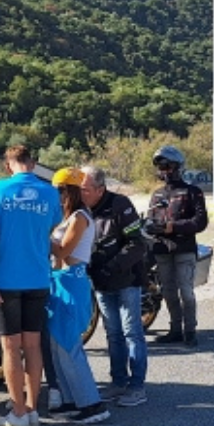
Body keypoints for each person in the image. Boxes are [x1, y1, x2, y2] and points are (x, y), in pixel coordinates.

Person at [0, 145, 60, 426]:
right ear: (33, 163)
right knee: (33, 345)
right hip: (38, 278)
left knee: (10, 347)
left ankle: (17, 412)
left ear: (8, 165)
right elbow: (50, 228)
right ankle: (32, 409)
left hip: (7, 280)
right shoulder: (50, 193)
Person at [42, 167, 112, 424]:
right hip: (58, 281)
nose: (57, 195)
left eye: (60, 190)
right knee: (57, 346)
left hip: (72, 282)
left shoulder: (80, 217)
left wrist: (38, 233)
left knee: (69, 345)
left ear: (71, 191)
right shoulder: (66, 217)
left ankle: (92, 403)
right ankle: (71, 400)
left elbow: (63, 251)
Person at [81, 165, 151, 407]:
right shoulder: (81, 210)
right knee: (113, 334)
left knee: (132, 333)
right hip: (100, 282)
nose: (81, 193)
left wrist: (112, 266)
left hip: (126, 280)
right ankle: (118, 381)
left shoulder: (121, 205)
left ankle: (137, 387)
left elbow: (137, 243)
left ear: (100, 189)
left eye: (85, 189)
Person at [146, 145, 208, 346]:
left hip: (184, 249)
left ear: (178, 167)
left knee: (186, 292)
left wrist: (172, 226)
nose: (164, 171)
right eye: (161, 167)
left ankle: (190, 331)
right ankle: (175, 329)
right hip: (161, 249)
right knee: (168, 292)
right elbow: (150, 219)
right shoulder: (157, 195)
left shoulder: (192, 192)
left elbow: (200, 222)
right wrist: (151, 227)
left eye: (167, 166)